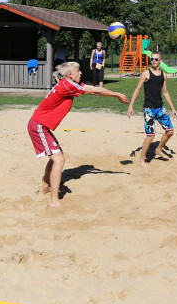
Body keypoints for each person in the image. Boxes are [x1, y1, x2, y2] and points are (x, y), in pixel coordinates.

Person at [27, 61, 128, 207]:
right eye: (78, 71)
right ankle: (54, 200)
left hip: (40, 125)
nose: (81, 73)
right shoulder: (68, 85)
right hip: (39, 126)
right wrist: (117, 94)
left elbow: (92, 89)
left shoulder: (67, 83)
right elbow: (95, 91)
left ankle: (44, 186)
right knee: (59, 160)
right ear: (70, 74)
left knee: (56, 156)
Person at [127, 51, 177, 166]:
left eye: (156, 59)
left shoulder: (164, 75)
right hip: (149, 109)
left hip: (160, 108)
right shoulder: (146, 73)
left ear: (160, 61)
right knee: (151, 136)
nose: (153, 61)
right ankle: (142, 159)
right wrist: (131, 106)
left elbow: (165, 92)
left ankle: (158, 149)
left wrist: (173, 108)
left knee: (170, 131)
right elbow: (137, 90)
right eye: (152, 59)